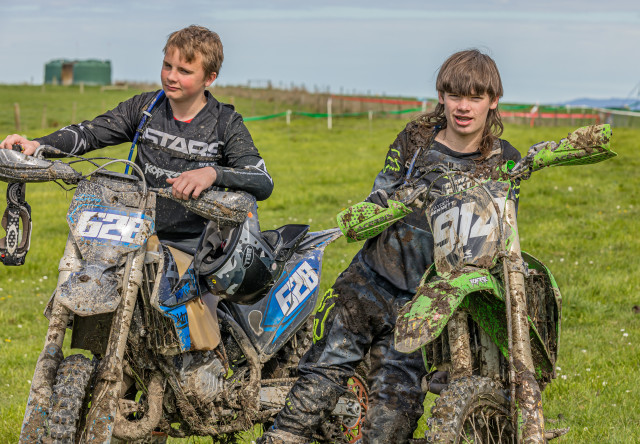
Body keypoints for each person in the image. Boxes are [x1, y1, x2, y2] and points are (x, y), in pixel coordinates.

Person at [259, 49, 521, 443]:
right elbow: (381, 190)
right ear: (442, 96)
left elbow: (502, 230)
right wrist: (380, 204)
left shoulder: (503, 160)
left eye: (475, 97)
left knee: (394, 411)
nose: (463, 107)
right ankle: (282, 437)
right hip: (370, 278)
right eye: (454, 96)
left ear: (493, 101)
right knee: (321, 373)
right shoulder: (416, 139)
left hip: (427, 301)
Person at [0, 25, 273, 251]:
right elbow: (89, 133)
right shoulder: (145, 107)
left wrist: (213, 174)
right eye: (167, 65)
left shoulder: (226, 123)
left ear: (209, 78)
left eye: (184, 71)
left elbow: (262, 180)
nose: (171, 77)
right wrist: (38, 145)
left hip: (196, 246)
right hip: (133, 234)